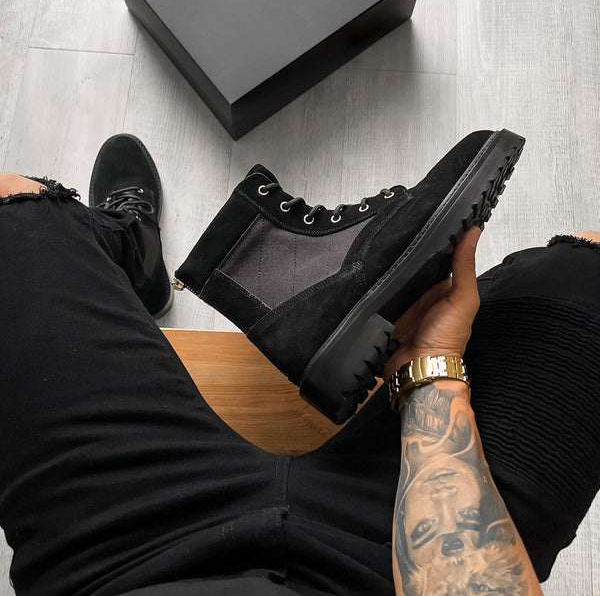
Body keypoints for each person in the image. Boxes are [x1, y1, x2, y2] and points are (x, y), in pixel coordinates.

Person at [0, 137, 598, 596]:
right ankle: (309, 294)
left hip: (121, 560)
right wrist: (428, 372)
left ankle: (138, 250)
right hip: (387, 567)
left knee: (14, 206)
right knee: (586, 270)